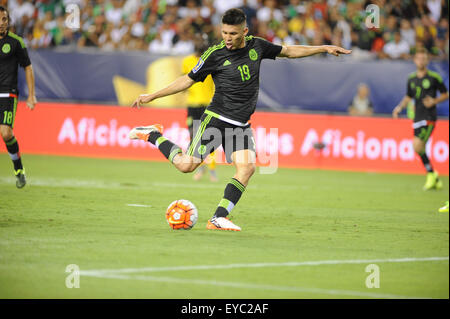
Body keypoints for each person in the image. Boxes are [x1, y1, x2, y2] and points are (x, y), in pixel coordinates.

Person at [129, 8, 351, 231]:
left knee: (246, 169)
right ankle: (152, 134)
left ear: (244, 31)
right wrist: (152, 95)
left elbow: (289, 51)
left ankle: (218, 217)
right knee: (186, 165)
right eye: (224, 32)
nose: (227, 38)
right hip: (216, 119)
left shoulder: (258, 46)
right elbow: (187, 80)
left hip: (241, 125)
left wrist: (323, 47)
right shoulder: (214, 55)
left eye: (233, 34)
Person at [393, 48, 448, 190]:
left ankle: (431, 175)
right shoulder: (411, 78)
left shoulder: (434, 77)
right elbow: (408, 96)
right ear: (415, 60)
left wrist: (434, 101)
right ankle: (433, 175)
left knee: (417, 145)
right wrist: (399, 108)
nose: (421, 61)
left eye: (424, 58)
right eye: (419, 58)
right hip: (417, 116)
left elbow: (445, 94)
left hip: (429, 117)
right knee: (418, 147)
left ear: (427, 61)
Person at [0, 6, 36, 188]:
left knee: (6, 133)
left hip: (8, 93)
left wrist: (31, 95)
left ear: (8, 21)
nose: (1, 23)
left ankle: (19, 169)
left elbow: (28, 67)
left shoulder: (16, 42)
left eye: (4, 19)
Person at [181, 38, 218, 182]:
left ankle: (212, 170)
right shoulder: (187, 61)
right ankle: (200, 168)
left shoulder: (211, 60)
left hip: (207, 104)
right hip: (192, 105)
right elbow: (185, 79)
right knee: (193, 136)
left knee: (210, 137)